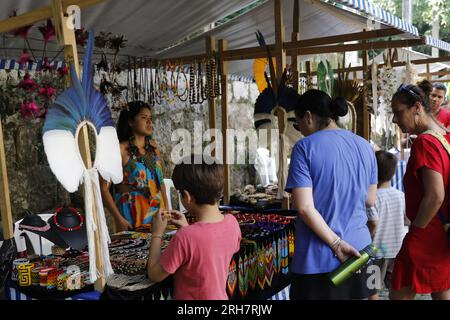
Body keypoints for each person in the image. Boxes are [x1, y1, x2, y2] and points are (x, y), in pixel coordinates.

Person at [286, 89, 378, 300]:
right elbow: (370, 199)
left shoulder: (304, 148)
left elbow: (305, 208)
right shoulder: (365, 146)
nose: (299, 130)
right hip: (360, 250)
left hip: (318, 260)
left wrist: (336, 243)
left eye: (298, 124)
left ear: (308, 116)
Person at [147, 155, 241, 300]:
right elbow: (211, 249)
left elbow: (155, 274)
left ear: (186, 196)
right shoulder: (232, 223)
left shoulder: (185, 237)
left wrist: (157, 233)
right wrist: (186, 228)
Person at [389, 80, 450, 300]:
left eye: (398, 112)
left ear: (416, 108)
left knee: (400, 290)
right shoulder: (444, 136)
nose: (395, 119)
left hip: (427, 232)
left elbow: (435, 195)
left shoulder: (425, 142)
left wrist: (416, 230)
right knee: (442, 288)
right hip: (442, 232)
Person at [100, 101, 168, 231]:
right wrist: (118, 218)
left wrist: (167, 208)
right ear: (130, 121)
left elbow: (160, 182)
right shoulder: (119, 150)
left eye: (150, 118)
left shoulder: (154, 148)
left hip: (157, 210)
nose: (149, 122)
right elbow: (104, 188)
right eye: (143, 118)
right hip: (131, 212)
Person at [366, 150, 407, 291]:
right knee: (395, 289)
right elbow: (406, 220)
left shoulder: (371, 198)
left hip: (377, 252)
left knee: (374, 291)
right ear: (394, 172)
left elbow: (373, 223)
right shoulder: (401, 196)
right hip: (397, 250)